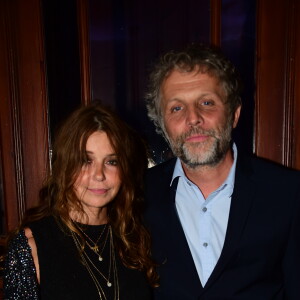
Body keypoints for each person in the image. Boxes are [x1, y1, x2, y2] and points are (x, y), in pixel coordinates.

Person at [144, 44, 300, 299]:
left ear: (234, 114)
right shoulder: (138, 194)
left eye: (206, 103)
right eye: (176, 108)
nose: (193, 118)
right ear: (162, 124)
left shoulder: (288, 193)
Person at [4, 101, 158, 299]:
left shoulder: (134, 237)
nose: (99, 175)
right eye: (86, 160)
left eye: (111, 161)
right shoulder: (33, 245)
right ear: (65, 166)